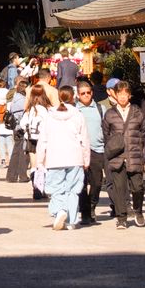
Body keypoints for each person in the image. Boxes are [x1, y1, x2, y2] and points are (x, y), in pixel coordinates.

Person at [35, 84, 90, 231]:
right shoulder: (78, 114)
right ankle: (71, 220)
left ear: (59, 97)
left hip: (54, 158)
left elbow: (43, 140)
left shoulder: (49, 115)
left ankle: (60, 210)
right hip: (75, 157)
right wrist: (86, 159)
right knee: (73, 190)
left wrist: (40, 161)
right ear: (74, 97)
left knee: (56, 188)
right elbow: (84, 139)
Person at [103, 80, 145, 229]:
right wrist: (113, 147)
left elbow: (144, 132)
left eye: (125, 94)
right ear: (115, 95)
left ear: (129, 95)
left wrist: (140, 148)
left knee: (137, 187)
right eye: (119, 93)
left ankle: (138, 211)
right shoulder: (110, 114)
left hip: (134, 156)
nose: (122, 97)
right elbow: (106, 134)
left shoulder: (137, 112)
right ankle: (121, 217)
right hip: (117, 157)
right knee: (119, 189)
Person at [75, 78, 105, 224]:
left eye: (88, 92)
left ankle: (93, 204)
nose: (86, 95)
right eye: (83, 93)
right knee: (80, 183)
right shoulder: (74, 111)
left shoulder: (100, 109)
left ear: (92, 93)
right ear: (78, 95)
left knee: (97, 183)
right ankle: (85, 211)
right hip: (79, 151)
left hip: (97, 150)